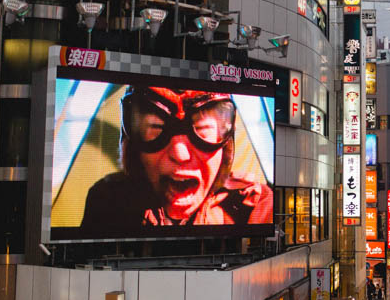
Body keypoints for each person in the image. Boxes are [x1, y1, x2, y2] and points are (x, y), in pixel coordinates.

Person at [80, 86, 273, 229]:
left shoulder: (253, 205)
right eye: (156, 129)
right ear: (134, 149)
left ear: (225, 147)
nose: (180, 155)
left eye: (202, 130)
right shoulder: (109, 202)